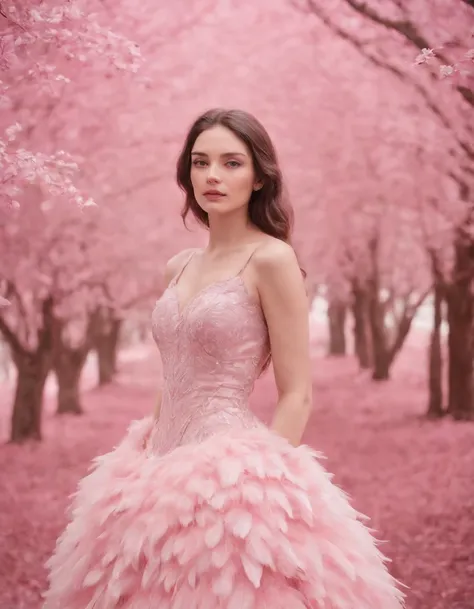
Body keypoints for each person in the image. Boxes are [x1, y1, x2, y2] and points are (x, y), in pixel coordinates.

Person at [43, 109, 404, 609]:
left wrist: (267, 490)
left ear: (259, 177)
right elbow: (175, 370)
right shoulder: (178, 265)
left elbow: (296, 392)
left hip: (231, 479)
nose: (212, 176)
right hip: (150, 471)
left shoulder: (272, 260)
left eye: (232, 163)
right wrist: (146, 445)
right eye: (200, 162)